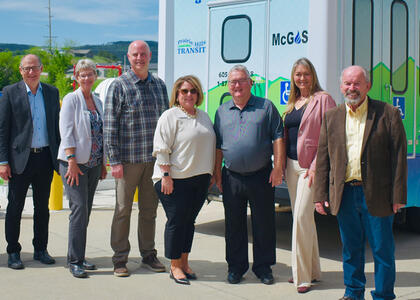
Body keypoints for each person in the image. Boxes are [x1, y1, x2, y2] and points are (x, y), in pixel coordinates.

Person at [313, 65, 407, 300]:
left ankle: (384, 295)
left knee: (382, 250)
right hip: (344, 194)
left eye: (356, 83)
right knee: (351, 249)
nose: (351, 88)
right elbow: (323, 158)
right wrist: (319, 195)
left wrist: (398, 197)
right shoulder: (331, 117)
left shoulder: (388, 114)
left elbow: (399, 159)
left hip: (377, 194)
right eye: (347, 83)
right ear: (341, 85)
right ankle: (353, 292)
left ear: (368, 86)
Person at [213, 64, 285, 285]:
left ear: (250, 83)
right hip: (231, 176)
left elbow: (278, 137)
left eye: (241, 80)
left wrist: (278, 167)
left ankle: (263, 268)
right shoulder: (222, 111)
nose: (237, 85)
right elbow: (218, 145)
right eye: (233, 82)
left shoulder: (266, 107)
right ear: (228, 85)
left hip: (261, 175)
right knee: (234, 225)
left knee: (264, 224)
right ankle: (236, 267)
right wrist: (217, 173)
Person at [104, 40, 169, 277]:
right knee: (123, 210)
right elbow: (110, 126)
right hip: (128, 161)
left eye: (143, 53)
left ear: (150, 56)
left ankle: (148, 254)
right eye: (135, 54)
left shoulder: (159, 86)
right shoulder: (118, 86)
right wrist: (115, 161)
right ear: (128, 57)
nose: (139, 58)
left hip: (152, 162)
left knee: (149, 210)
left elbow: (166, 125)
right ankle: (120, 258)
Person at [152, 75, 215, 285]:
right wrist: (166, 176)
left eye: (193, 91)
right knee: (177, 221)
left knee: (189, 222)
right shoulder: (170, 116)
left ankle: (185, 263)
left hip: (199, 179)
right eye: (184, 91)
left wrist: (212, 173)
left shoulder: (204, 117)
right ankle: (175, 266)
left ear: (198, 95)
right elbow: (161, 148)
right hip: (174, 179)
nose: (189, 95)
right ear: (177, 95)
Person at [0, 54, 60, 269]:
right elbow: (3, 129)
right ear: (20, 70)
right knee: (15, 207)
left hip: (45, 158)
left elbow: (56, 127)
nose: (31, 72)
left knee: (42, 208)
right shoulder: (9, 93)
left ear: (41, 68)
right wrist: (3, 161)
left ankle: (40, 249)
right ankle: (13, 252)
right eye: (27, 68)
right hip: (18, 160)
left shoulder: (52, 93)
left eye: (35, 68)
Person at [283, 58, 336, 293]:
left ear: (312, 75)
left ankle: (301, 276)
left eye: (305, 74)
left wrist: (317, 166)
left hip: (310, 168)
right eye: (297, 75)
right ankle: (314, 270)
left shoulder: (323, 99)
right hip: (291, 166)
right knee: (305, 221)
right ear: (293, 78)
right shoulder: (293, 101)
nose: (301, 78)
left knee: (301, 220)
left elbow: (330, 135)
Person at [58, 59, 107, 278]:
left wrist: (103, 162)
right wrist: (71, 160)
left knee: (85, 212)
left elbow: (101, 133)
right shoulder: (71, 100)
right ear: (76, 77)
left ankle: (77, 255)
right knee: (78, 211)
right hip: (74, 164)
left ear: (96, 76)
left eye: (90, 74)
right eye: (82, 74)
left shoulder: (98, 101)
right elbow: (66, 131)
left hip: (94, 164)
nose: (87, 78)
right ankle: (75, 261)